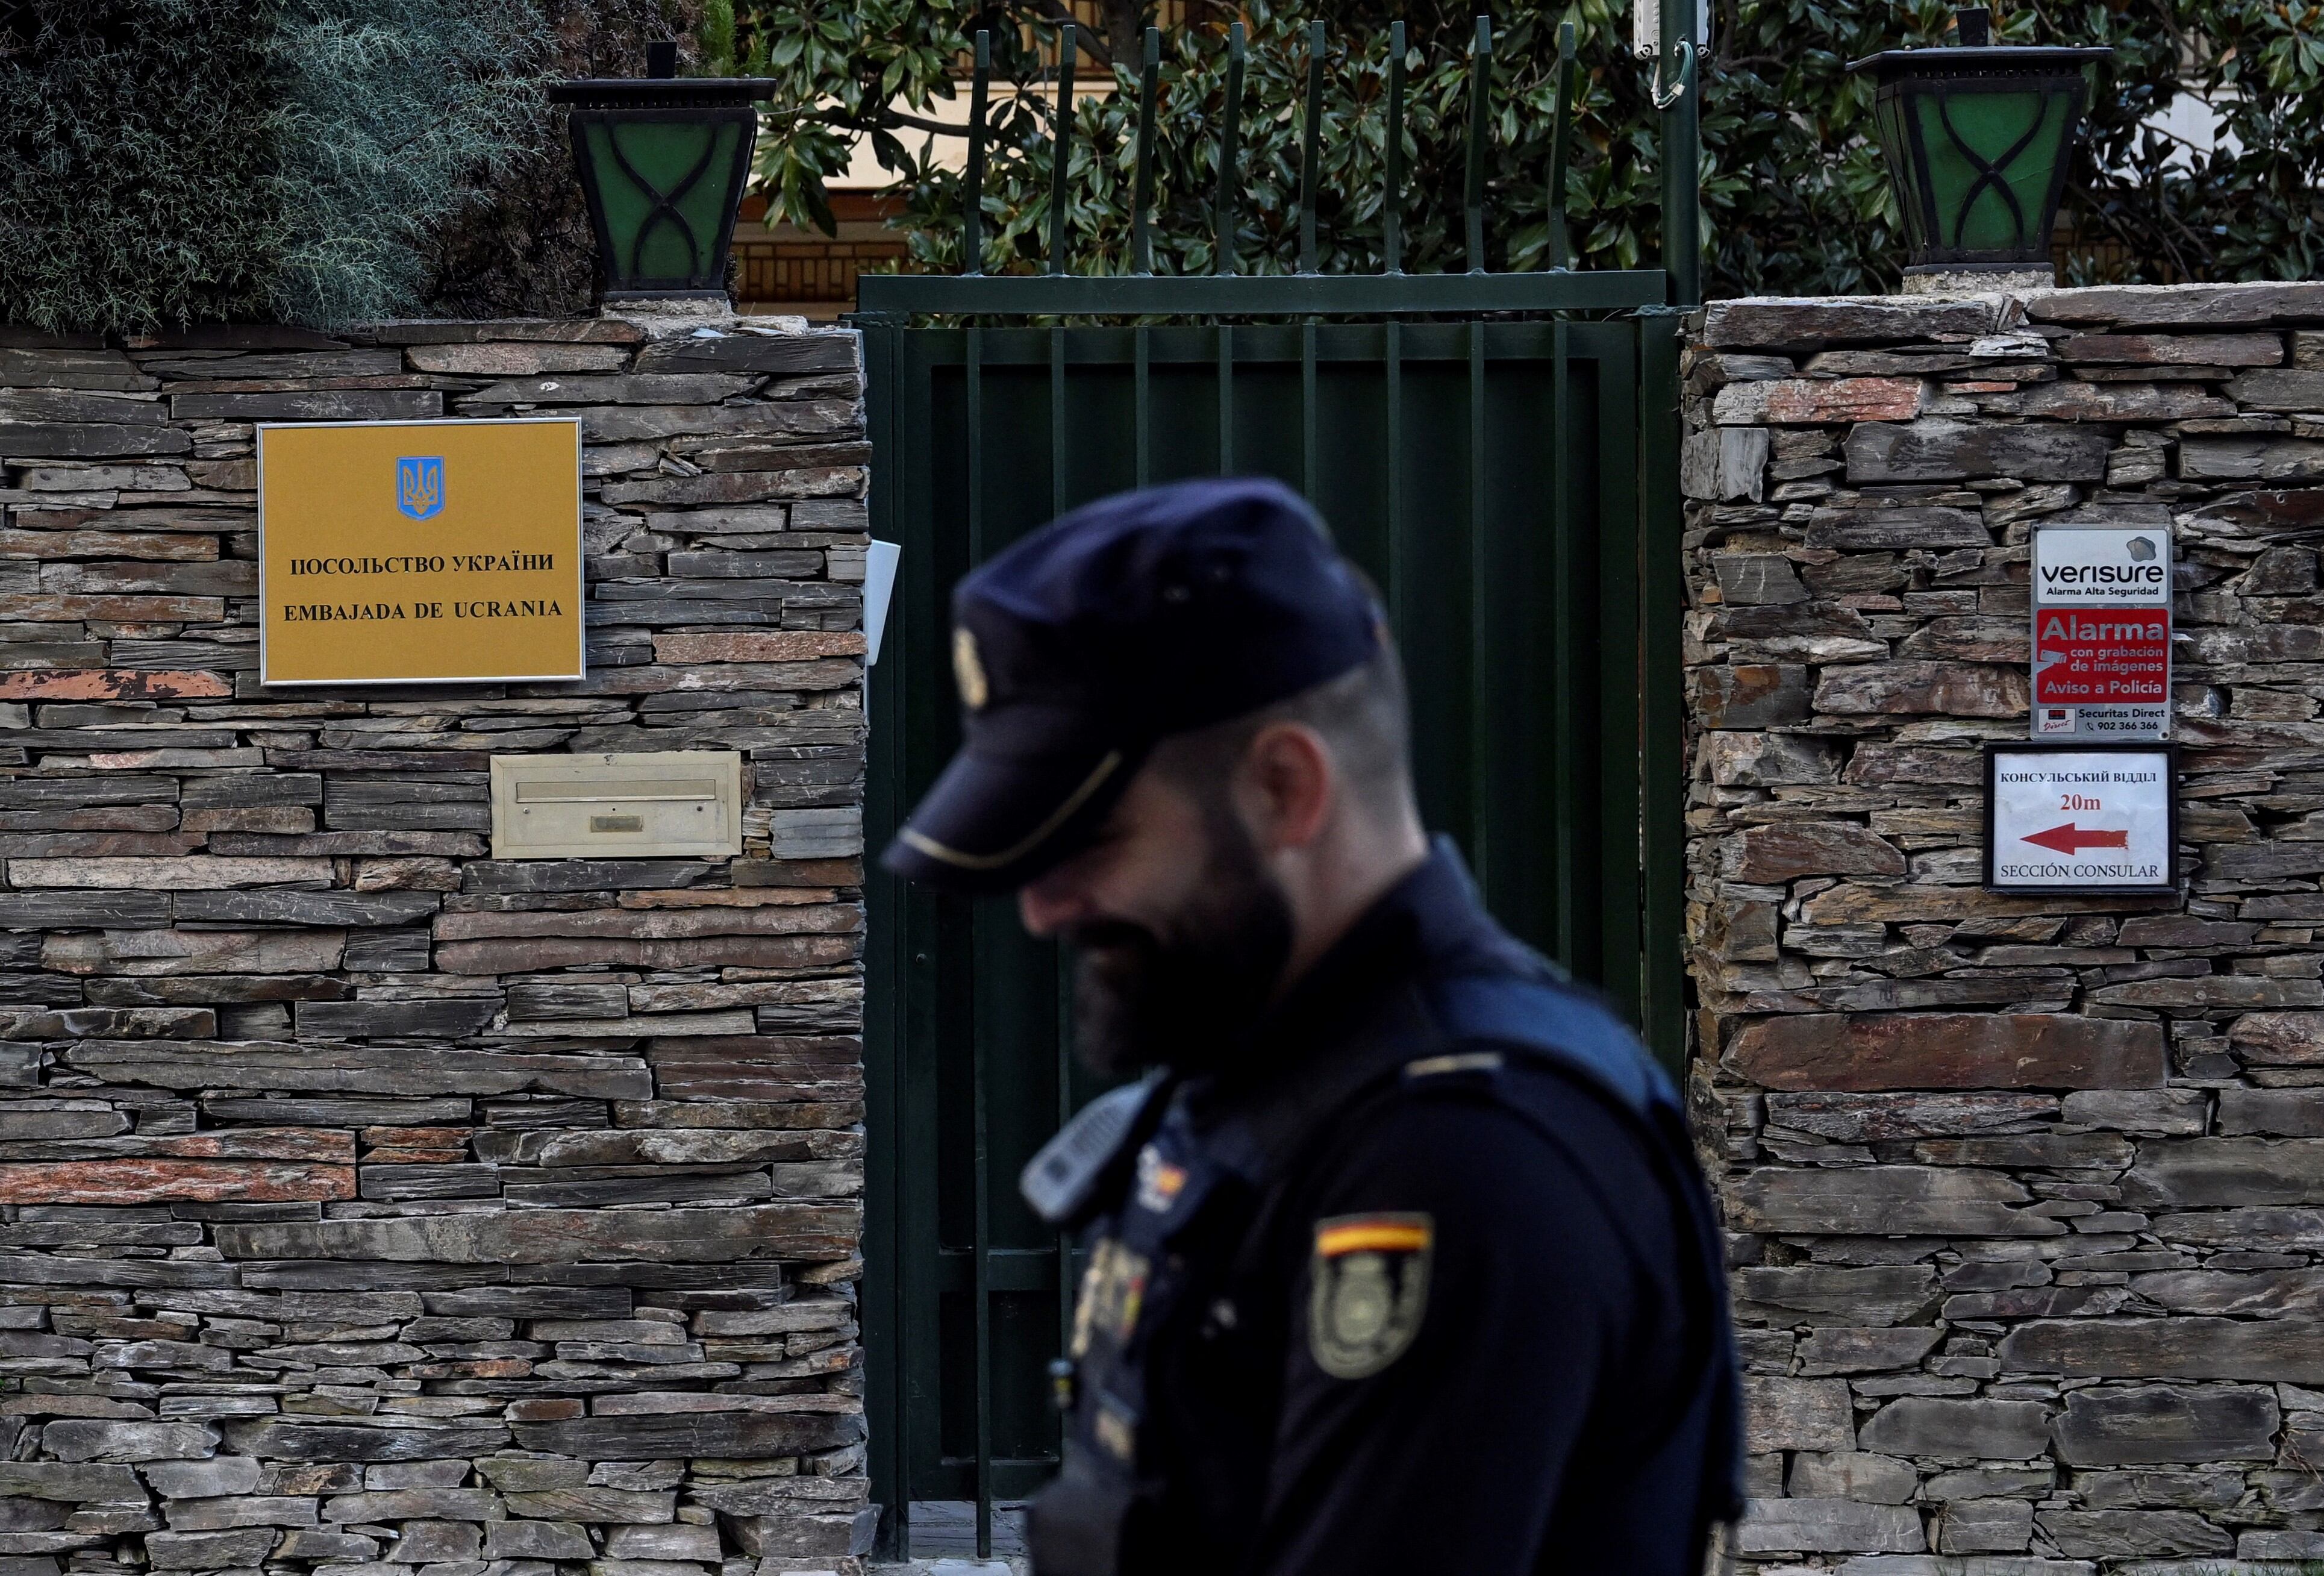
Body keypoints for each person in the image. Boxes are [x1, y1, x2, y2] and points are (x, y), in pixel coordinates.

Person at [882, 477, 1741, 1576]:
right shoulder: (1271, 1072)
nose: (1042, 907)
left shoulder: (1461, 1151)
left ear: (1284, 789)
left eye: (1088, 841)